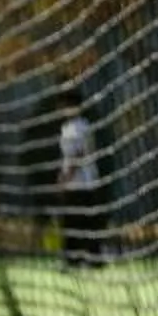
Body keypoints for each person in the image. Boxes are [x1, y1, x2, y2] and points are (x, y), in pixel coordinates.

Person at [56, 87, 103, 267]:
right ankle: (74, 259)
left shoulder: (80, 127)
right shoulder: (67, 128)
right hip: (74, 183)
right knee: (73, 222)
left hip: (83, 183)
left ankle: (88, 259)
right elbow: (68, 157)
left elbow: (79, 154)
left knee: (81, 222)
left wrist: (66, 177)